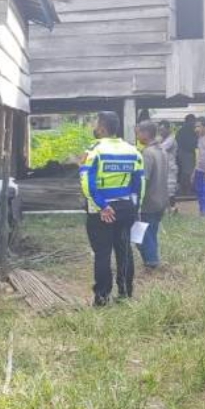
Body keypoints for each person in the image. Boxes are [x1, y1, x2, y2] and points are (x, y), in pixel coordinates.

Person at [80, 111, 144, 306]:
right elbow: (140, 183)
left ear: (101, 128)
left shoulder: (94, 151)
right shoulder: (133, 151)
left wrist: (103, 206)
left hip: (101, 210)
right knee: (124, 251)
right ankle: (125, 292)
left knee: (102, 254)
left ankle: (102, 297)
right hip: (126, 208)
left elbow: (87, 183)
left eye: (96, 124)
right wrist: (135, 207)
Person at [136, 121, 169, 269]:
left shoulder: (147, 153)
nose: (137, 136)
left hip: (149, 201)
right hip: (161, 199)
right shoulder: (162, 150)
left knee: (143, 234)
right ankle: (152, 259)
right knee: (152, 231)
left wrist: (137, 198)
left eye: (138, 133)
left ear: (146, 133)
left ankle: (151, 262)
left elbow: (144, 179)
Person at [159, 121, 179, 214]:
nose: (161, 132)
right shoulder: (161, 139)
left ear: (168, 129)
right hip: (163, 168)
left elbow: (160, 148)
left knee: (170, 189)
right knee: (163, 189)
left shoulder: (171, 139)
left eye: (163, 130)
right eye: (160, 130)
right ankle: (167, 209)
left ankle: (172, 208)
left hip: (170, 168)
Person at [176, 114, 197, 195]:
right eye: (193, 121)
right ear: (189, 121)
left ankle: (185, 189)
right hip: (186, 153)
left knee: (185, 172)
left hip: (184, 153)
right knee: (187, 172)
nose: (194, 123)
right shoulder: (187, 131)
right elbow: (192, 143)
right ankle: (186, 190)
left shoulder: (182, 131)